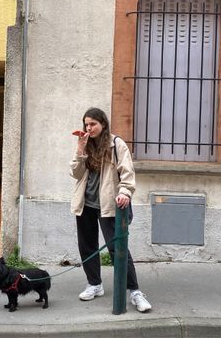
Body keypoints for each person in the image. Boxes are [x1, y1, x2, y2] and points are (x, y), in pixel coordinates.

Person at [70, 107, 152, 312]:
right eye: (86, 124)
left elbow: (127, 172)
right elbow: (76, 173)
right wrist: (80, 150)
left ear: (103, 124)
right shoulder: (85, 143)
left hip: (108, 204)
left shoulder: (116, 144)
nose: (89, 128)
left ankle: (135, 292)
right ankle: (95, 285)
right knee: (87, 246)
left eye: (93, 124)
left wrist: (125, 191)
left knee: (118, 249)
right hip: (86, 203)